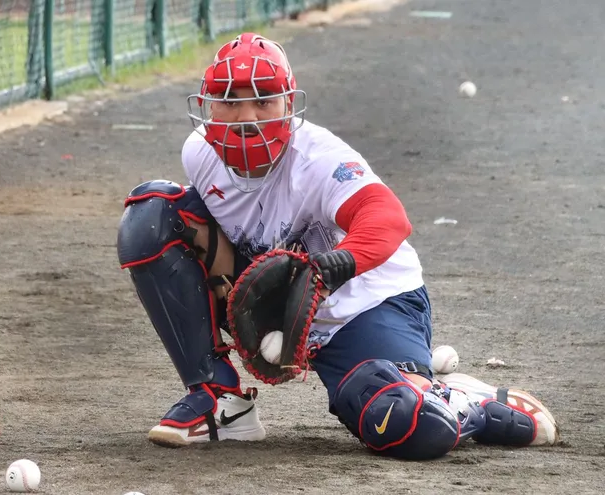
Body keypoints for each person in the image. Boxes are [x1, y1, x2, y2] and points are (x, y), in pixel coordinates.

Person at [116, 33, 559, 460]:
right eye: (230, 101)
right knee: (150, 217)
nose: (246, 117)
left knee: (408, 423)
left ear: (289, 104)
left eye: (263, 100)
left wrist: (332, 267)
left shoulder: (319, 159)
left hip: (366, 304)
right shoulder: (199, 152)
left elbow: (386, 217)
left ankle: (466, 401)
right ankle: (218, 400)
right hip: (277, 291)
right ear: (208, 106)